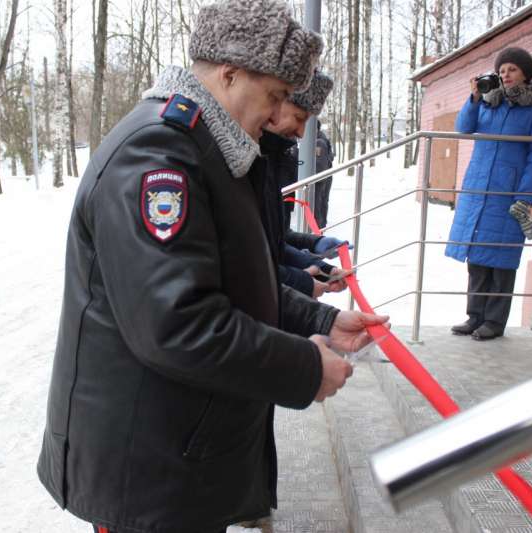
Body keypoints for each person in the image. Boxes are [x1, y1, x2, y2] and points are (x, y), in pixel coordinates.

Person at [36, 1, 390, 532]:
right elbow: (177, 323)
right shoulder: (159, 155)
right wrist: (303, 368)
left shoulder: (206, 147)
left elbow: (232, 276)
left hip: (178, 453)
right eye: (273, 97)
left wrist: (318, 321)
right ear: (229, 75)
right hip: (147, 471)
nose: (277, 118)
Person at [447, 47, 532, 341]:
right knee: (478, 257)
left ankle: (494, 321)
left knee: (502, 259)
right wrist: (474, 98)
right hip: (479, 188)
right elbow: (464, 129)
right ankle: (474, 316)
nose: (505, 74)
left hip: (508, 192)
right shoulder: (488, 102)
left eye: (512, 69)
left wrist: (525, 195)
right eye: (502, 69)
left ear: (526, 74)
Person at [259, 68, 350, 299]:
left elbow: (272, 238)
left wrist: (319, 265)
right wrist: (301, 279)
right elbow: (243, 264)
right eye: (299, 118)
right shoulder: (247, 159)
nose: (301, 133)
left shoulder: (274, 157)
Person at [314, 119, 335, 228]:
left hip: (320, 179)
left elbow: (320, 164)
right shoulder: (321, 140)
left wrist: (315, 179)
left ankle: (318, 227)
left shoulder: (319, 142)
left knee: (318, 204)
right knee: (321, 202)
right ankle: (321, 225)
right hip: (324, 177)